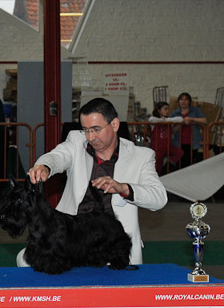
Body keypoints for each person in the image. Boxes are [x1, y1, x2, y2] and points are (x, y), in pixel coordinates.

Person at [21, 97, 167, 266]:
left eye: (96, 129)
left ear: (114, 125)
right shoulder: (76, 141)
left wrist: (124, 188)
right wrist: (45, 166)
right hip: (69, 241)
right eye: (86, 130)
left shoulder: (141, 156)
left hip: (110, 244)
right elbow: (57, 156)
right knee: (24, 261)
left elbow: (159, 198)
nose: (91, 137)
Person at [171, 92, 207, 168]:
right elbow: (172, 130)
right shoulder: (175, 113)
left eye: (186, 99)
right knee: (180, 165)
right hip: (179, 142)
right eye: (181, 99)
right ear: (178, 101)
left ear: (190, 101)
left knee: (191, 165)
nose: (183, 101)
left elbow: (204, 120)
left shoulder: (195, 110)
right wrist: (181, 123)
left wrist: (192, 119)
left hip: (193, 142)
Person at [148, 102, 183, 174]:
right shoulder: (155, 121)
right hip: (157, 148)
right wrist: (163, 120)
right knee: (157, 168)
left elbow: (180, 119)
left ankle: (168, 164)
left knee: (179, 152)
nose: (167, 111)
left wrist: (166, 120)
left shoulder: (168, 121)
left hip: (167, 147)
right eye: (165, 109)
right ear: (159, 110)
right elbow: (151, 119)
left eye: (168, 109)